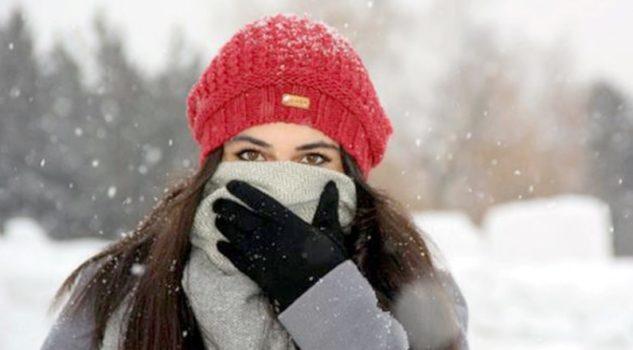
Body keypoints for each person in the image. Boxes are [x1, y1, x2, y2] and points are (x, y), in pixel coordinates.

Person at [41, 13, 469, 350]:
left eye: (314, 158)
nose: (280, 180)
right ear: (213, 164)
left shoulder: (414, 289)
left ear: (351, 172)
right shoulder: (117, 291)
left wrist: (328, 301)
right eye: (250, 156)